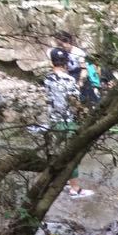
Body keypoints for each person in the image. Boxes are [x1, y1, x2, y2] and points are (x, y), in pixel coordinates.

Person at [44, 49, 92, 197]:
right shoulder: (69, 80)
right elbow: (74, 102)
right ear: (66, 63)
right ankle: (75, 189)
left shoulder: (47, 79)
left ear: (52, 62)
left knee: (58, 154)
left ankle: (62, 181)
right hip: (67, 122)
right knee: (72, 155)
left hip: (53, 121)